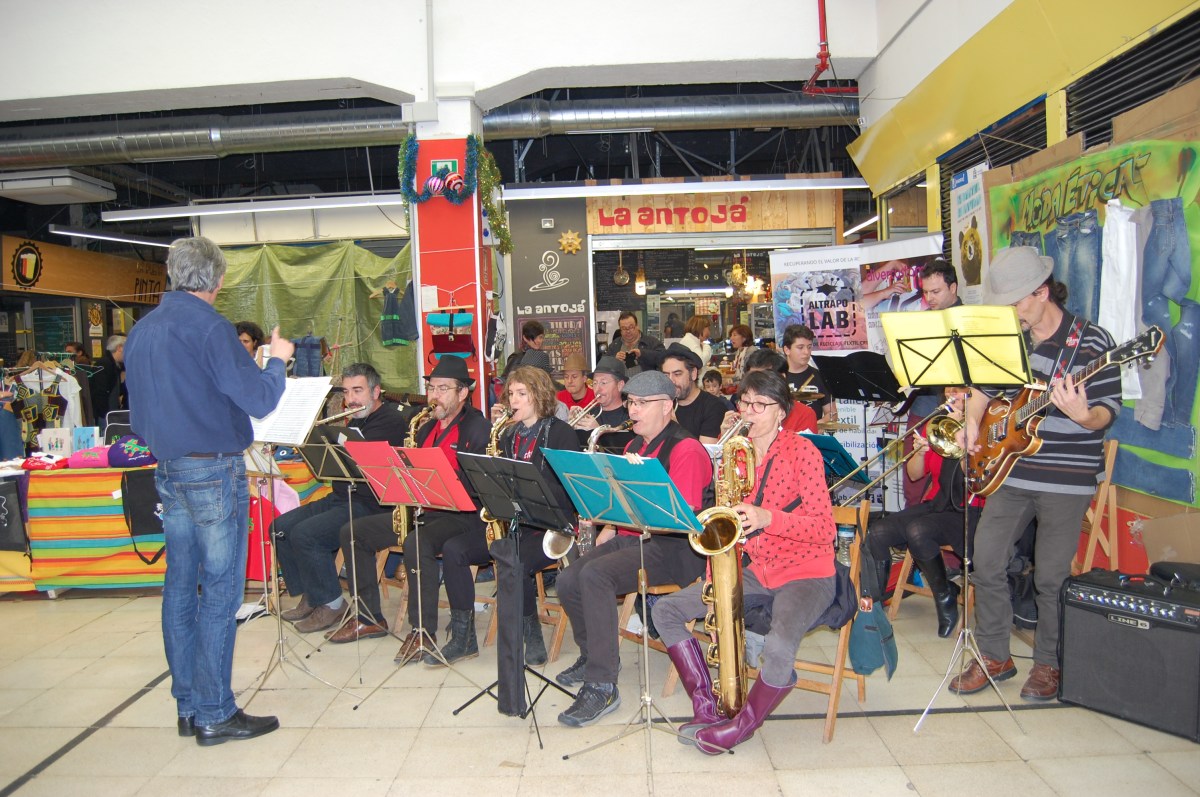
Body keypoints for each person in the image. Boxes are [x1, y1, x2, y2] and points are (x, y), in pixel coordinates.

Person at [124, 235, 294, 746]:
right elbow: (259, 399)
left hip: (168, 468)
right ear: (218, 279)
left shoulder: (142, 330)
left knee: (180, 587)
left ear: (173, 274)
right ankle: (216, 712)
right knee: (220, 592)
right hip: (213, 471)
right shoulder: (211, 328)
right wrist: (277, 360)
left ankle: (189, 706)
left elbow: (140, 411)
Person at [951, 246, 1120, 701]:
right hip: (1012, 470)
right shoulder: (1012, 338)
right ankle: (994, 656)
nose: (1011, 312)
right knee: (986, 559)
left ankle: (1049, 664)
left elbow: (1107, 411)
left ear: (1042, 293)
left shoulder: (1092, 343)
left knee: (1050, 576)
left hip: (1066, 475)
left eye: (1015, 303)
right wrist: (972, 422)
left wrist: (1083, 415)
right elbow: (982, 390)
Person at [653, 369, 835, 753]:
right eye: (744, 402)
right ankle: (707, 707)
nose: (748, 412)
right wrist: (713, 587)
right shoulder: (736, 454)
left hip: (807, 571)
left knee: (780, 645)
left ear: (782, 410)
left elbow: (825, 529)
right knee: (665, 610)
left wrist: (769, 518)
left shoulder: (803, 452)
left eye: (759, 405)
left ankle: (741, 726)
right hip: (757, 569)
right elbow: (723, 527)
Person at [555, 370, 712, 727]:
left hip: (676, 550)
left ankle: (603, 684)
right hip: (638, 538)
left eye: (642, 403)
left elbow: (680, 519)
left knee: (595, 576)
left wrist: (623, 522)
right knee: (568, 579)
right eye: (631, 403)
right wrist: (607, 520)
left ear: (667, 406)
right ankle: (594, 654)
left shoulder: (686, 449)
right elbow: (623, 503)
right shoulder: (632, 447)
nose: (633, 410)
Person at [432, 365, 581, 666]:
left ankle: (531, 633)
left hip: (550, 528)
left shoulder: (561, 433)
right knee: (454, 549)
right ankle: (463, 638)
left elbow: (570, 491)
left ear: (539, 395)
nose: (513, 400)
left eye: (521, 393)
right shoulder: (508, 434)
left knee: (513, 558)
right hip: (514, 524)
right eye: (511, 393)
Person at [274, 363, 409, 634]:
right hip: (342, 497)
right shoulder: (357, 419)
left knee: (306, 535)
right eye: (346, 392)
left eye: (357, 391)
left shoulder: (391, 421)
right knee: (279, 528)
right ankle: (313, 594)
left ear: (376, 392)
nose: (350, 399)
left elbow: (368, 466)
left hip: (371, 505)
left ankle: (332, 604)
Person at [394, 356, 492, 664]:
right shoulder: (425, 429)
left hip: (466, 515)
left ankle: (423, 631)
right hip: (430, 512)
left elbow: (481, 486)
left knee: (417, 542)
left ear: (462, 393)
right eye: (432, 388)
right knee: (357, 530)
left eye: (443, 389)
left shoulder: (478, 428)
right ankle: (366, 616)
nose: (434, 396)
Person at [864, 386, 980, 637]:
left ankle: (944, 596)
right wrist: (919, 451)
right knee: (878, 531)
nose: (953, 395)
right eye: (949, 389)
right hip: (938, 503)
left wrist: (962, 435)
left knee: (918, 531)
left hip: (969, 508)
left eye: (961, 390)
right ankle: (876, 604)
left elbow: (976, 480)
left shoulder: (982, 427)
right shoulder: (937, 424)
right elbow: (915, 475)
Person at [901, 260, 964, 507]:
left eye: (935, 291)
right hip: (924, 403)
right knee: (913, 480)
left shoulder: (970, 320)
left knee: (953, 480)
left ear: (953, 288)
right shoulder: (922, 321)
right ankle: (909, 522)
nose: (929, 298)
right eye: (925, 292)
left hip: (960, 407)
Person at [662, 342, 725, 444]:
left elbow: (704, 452)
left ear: (693, 374)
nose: (671, 380)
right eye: (666, 375)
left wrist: (675, 427)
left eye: (677, 374)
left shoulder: (713, 407)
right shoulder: (663, 403)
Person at [742, 348, 817, 433]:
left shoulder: (804, 415)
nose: (755, 385)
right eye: (751, 378)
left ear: (782, 378)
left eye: (762, 379)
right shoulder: (745, 409)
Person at [782, 324, 835, 422]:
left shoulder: (819, 376)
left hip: (812, 431)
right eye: (800, 347)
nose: (806, 352)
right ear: (787, 350)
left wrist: (817, 424)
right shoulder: (776, 377)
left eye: (809, 347)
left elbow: (832, 414)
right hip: (785, 431)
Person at [570, 356, 629, 437]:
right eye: (594, 383)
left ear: (620, 385)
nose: (597, 389)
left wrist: (598, 431)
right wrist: (572, 430)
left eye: (603, 383)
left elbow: (627, 444)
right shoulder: (590, 413)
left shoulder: (630, 416)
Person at [606, 311, 664, 376]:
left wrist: (642, 354)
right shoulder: (615, 344)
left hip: (646, 381)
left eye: (631, 327)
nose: (628, 331)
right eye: (624, 328)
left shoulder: (651, 342)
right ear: (620, 330)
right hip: (621, 382)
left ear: (637, 326)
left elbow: (663, 358)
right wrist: (614, 359)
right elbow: (603, 365)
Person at [91, 334, 126, 421]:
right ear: (119, 348)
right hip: (105, 415)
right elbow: (100, 392)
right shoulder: (104, 365)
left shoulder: (116, 366)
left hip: (111, 413)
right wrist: (104, 414)